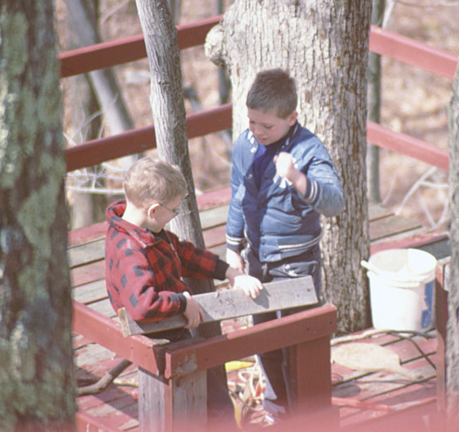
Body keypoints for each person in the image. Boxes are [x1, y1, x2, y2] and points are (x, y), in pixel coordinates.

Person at [104, 157, 263, 425]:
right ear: (154, 210)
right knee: (219, 410)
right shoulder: (131, 250)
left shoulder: (148, 230)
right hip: (160, 340)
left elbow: (184, 254)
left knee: (214, 394)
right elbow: (143, 305)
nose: (175, 215)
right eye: (174, 209)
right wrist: (181, 303)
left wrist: (229, 272)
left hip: (172, 330)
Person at [225, 68, 345, 421]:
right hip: (257, 260)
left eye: (267, 126)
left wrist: (297, 178)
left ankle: (307, 416)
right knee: (265, 341)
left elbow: (335, 203)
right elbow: (238, 195)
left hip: (296, 264)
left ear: (291, 118)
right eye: (252, 122)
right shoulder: (247, 144)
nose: (257, 132)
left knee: (299, 343)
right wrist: (233, 248)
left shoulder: (308, 150)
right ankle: (279, 412)